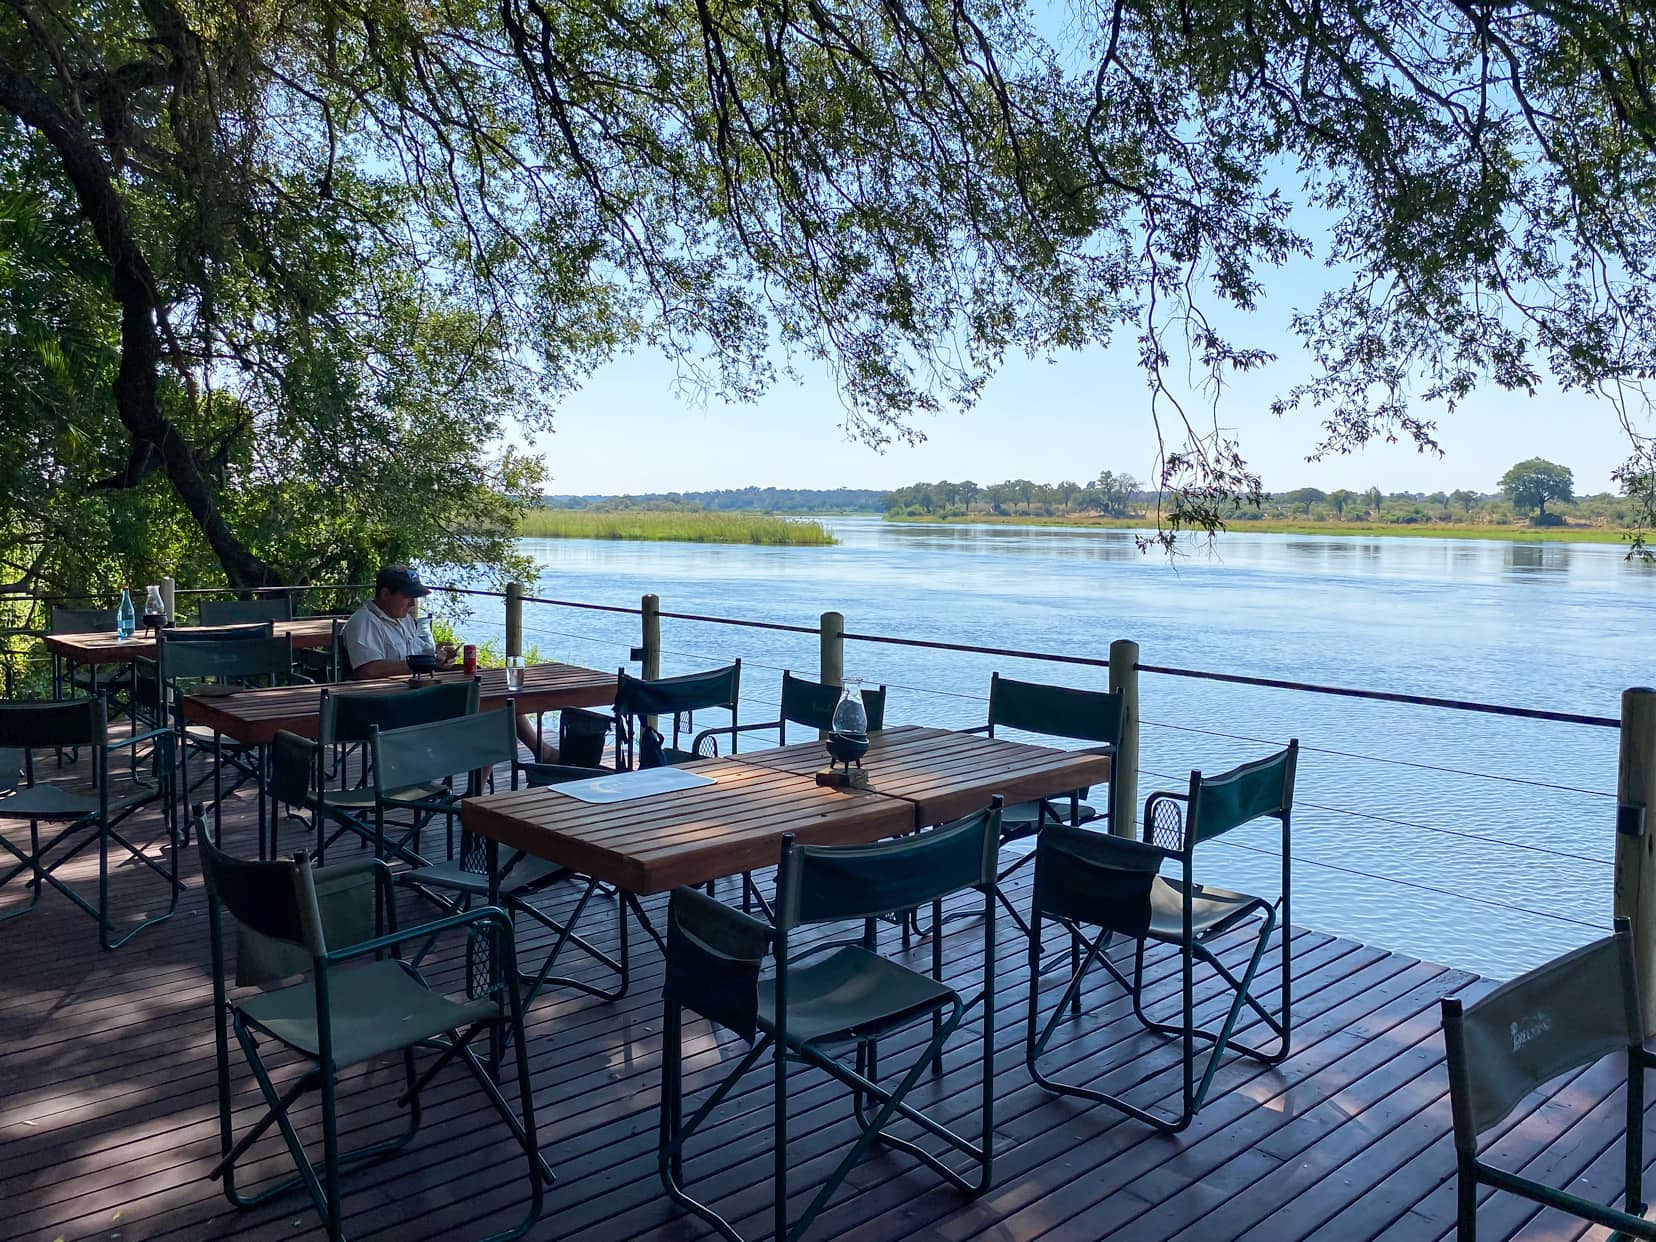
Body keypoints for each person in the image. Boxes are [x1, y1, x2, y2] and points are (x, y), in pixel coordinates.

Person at [341, 566, 454, 679]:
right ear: (385, 594)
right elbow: (370, 670)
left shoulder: (405, 620)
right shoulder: (364, 622)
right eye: (407, 596)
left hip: (408, 689)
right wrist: (419, 664)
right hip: (381, 694)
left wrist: (437, 658)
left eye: (414, 597)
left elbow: (418, 653)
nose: (412, 603)